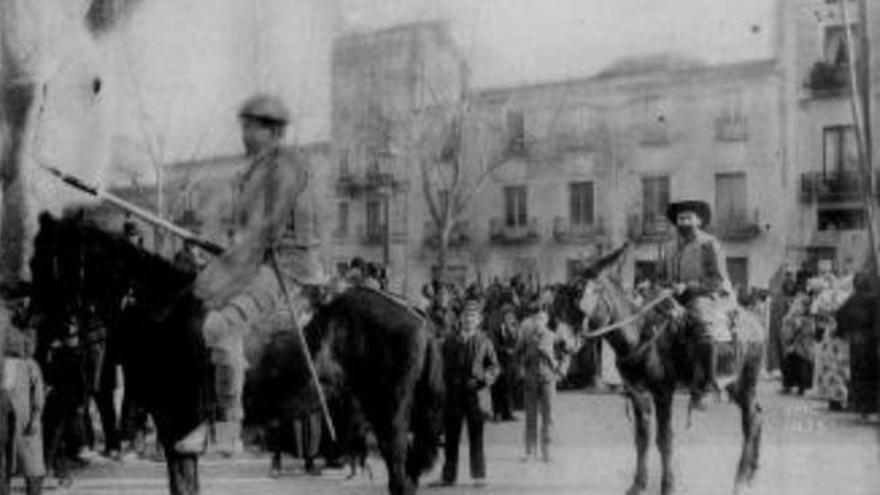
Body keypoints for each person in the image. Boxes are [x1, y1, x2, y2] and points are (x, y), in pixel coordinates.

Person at [176, 94, 326, 455]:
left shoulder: (286, 167)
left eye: (250, 127)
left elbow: (266, 231)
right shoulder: (253, 171)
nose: (243, 134)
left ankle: (228, 430)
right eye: (243, 125)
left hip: (288, 266)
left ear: (272, 131)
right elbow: (244, 233)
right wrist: (211, 255)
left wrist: (228, 259)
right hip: (257, 261)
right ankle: (217, 423)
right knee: (191, 314)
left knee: (216, 327)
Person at [657, 199, 733, 411]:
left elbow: (716, 280)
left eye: (689, 217)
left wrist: (688, 287)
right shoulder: (668, 247)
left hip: (704, 294)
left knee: (702, 324)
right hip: (673, 296)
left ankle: (708, 386)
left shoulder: (709, 244)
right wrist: (664, 287)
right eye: (681, 218)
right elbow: (661, 276)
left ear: (698, 221)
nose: (684, 222)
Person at [436, 299, 499, 487]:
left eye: (473, 316)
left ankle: (479, 476)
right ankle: (448, 476)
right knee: (451, 436)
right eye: (465, 316)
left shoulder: (485, 341)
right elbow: (440, 366)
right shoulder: (449, 341)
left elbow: (495, 366)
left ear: (479, 320)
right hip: (453, 394)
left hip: (474, 394)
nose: (468, 320)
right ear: (460, 319)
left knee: (476, 436)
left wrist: (485, 379)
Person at [516, 301, 563, 463]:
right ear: (533, 321)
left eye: (542, 319)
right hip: (530, 380)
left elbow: (567, 352)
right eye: (537, 319)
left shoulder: (554, 337)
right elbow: (517, 352)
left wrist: (561, 369)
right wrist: (521, 369)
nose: (539, 322)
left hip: (548, 380)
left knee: (548, 416)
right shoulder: (527, 337)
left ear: (547, 321)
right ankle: (530, 451)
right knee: (530, 416)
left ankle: (547, 450)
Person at [3, 326, 46, 495]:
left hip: (25, 422)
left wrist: (35, 418)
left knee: (32, 465)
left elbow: (38, 396)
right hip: (4, 424)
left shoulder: (30, 365)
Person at [490, 304, 519, 422]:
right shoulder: (497, 330)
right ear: (502, 317)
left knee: (509, 387)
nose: (509, 319)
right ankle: (497, 412)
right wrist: (505, 350)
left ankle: (508, 412)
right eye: (507, 316)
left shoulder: (514, 329)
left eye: (511, 316)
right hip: (498, 361)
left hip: (510, 363)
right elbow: (493, 346)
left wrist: (513, 333)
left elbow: (517, 344)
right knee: (497, 387)